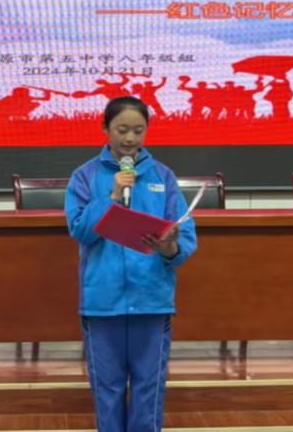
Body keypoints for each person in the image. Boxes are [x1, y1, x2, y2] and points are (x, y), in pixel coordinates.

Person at [64, 96, 198, 432]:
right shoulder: (85, 176)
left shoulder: (162, 176)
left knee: (148, 388)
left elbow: (186, 238)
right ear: (105, 128)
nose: (130, 138)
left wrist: (169, 248)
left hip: (151, 299)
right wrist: (110, 198)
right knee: (107, 388)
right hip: (102, 302)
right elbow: (80, 231)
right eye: (122, 129)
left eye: (138, 130)